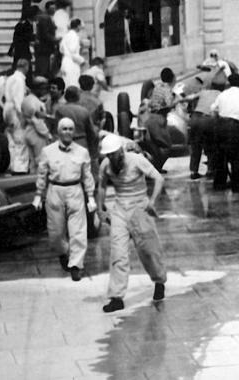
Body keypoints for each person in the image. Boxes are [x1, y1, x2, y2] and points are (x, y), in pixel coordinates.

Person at [97, 135, 168, 312]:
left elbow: (158, 178)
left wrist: (152, 201)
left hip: (139, 208)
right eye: (109, 155)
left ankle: (159, 281)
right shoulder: (106, 165)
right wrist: (100, 208)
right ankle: (116, 296)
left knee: (149, 250)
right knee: (118, 253)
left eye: (114, 154)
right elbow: (101, 186)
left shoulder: (136, 160)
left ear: (121, 151)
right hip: (120, 210)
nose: (112, 158)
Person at [34, 117, 96, 281]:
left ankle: (76, 265)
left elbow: (87, 176)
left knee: (78, 231)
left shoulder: (82, 152)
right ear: (58, 132)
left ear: (74, 132)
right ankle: (63, 252)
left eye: (70, 129)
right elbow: (42, 175)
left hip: (75, 190)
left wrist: (90, 196)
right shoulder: (48, 151)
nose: (67, 132)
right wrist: (38, 195)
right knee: (55, 232)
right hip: (55, 191)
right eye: (64, 129)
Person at [141, 68, 177, 172]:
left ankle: (155, 168)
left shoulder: (157, 87)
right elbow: (169, 104)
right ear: (172, 78)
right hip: (158, 119)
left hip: (150, 118)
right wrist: (176, 99)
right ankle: (156, 168)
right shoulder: (167, 89)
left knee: (155, 146)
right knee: (167, 146)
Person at [186, 82, 222, 180]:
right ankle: (210, 170)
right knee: (211, 145)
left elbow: (190, 98)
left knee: (195, 147)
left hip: (195, 118)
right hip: (208, 120)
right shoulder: (220, 94)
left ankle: (194, 172)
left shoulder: (203, 92)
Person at [4, 59, 30, 173]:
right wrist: (22, 115)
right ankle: (20, 167)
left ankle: (12, 164)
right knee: (20, 138)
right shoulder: (19, 80)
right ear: (26, 67)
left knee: (11, 140)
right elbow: (18, 99)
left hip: (7, 108)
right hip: (14, 110)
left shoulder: (10, 78)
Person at [22, 76, 53, 170]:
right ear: (38, 88)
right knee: (41, 161)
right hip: (37, 133)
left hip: (27, 131)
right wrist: (47, 134)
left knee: (32, 162)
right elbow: (38, 122)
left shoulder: (27, 99)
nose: (45, 91)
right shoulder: (34, 102)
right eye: (43, 88)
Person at [59, 18, 85, 89]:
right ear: (78, 26)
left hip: (65, 61)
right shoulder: (74, 36)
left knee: (66, 83)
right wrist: (82, 61)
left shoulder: (66, 35)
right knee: (73, 83)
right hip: (72, 63)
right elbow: (72, 52)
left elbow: (61, 49)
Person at [35, 2, 58, 77]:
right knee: (43, 70)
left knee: (47, 69)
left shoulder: (49, 17)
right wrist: (55, 39)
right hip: (44, 48)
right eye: (52, 9)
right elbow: (45, 34)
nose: (54, 10)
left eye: (54, 8)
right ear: (47, 9)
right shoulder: (45, 18)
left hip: (46, 49)